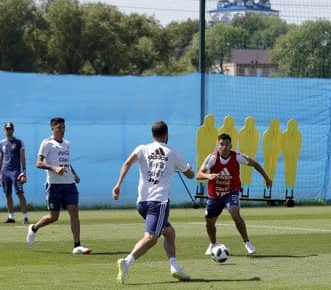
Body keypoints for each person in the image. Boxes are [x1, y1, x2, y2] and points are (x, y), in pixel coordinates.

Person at [112, 121, 194, 284]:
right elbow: (191, 175)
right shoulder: (173, 152)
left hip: (142, 203)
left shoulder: (142, 148)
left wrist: (118, 185)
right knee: (151, 237)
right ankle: (127, 262)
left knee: (169, 233)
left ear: (152, 135)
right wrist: (187, 167)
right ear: (167, 134)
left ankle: (174, 267)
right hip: (159, 202)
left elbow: (127, 162)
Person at [196, 133, 273, 256]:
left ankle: (247, 242)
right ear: (218, 145)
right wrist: (208, 176)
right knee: (209, 222)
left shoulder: (237, 157)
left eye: (227, 144)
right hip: (215, 195)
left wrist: (267, 178)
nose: (224, 147)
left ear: (231, 145)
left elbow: (255, 164)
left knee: (235, 212)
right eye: (221, 144)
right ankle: (213, 244)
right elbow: (198, 174)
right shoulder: (212, 158)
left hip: (232, 191)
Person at [26, 117, 91, 255]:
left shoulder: (67, 143)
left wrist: (74, 174)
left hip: (69, 183)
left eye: (64, 127)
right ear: (53, 128)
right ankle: (34, 227)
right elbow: (39, 163)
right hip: (54, 185)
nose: (62, 130)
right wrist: (54, 168)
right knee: (54, 217)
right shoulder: (47, 143)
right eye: (59, 127)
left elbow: (66, 162)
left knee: (73, 210)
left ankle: (77, 245)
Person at [0, 122, 29, 224]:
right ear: (4, 130)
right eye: (6, 129)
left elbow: (22, 157)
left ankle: (25, 217)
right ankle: (11, 217)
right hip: (4, 171)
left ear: (13, 130)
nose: (8, 130)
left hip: (16, 171)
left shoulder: (19, 142)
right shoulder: (2, 143)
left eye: (10, 129)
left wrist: (23, 171)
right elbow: (0, 158)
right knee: (7, 194)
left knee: (20, 193)